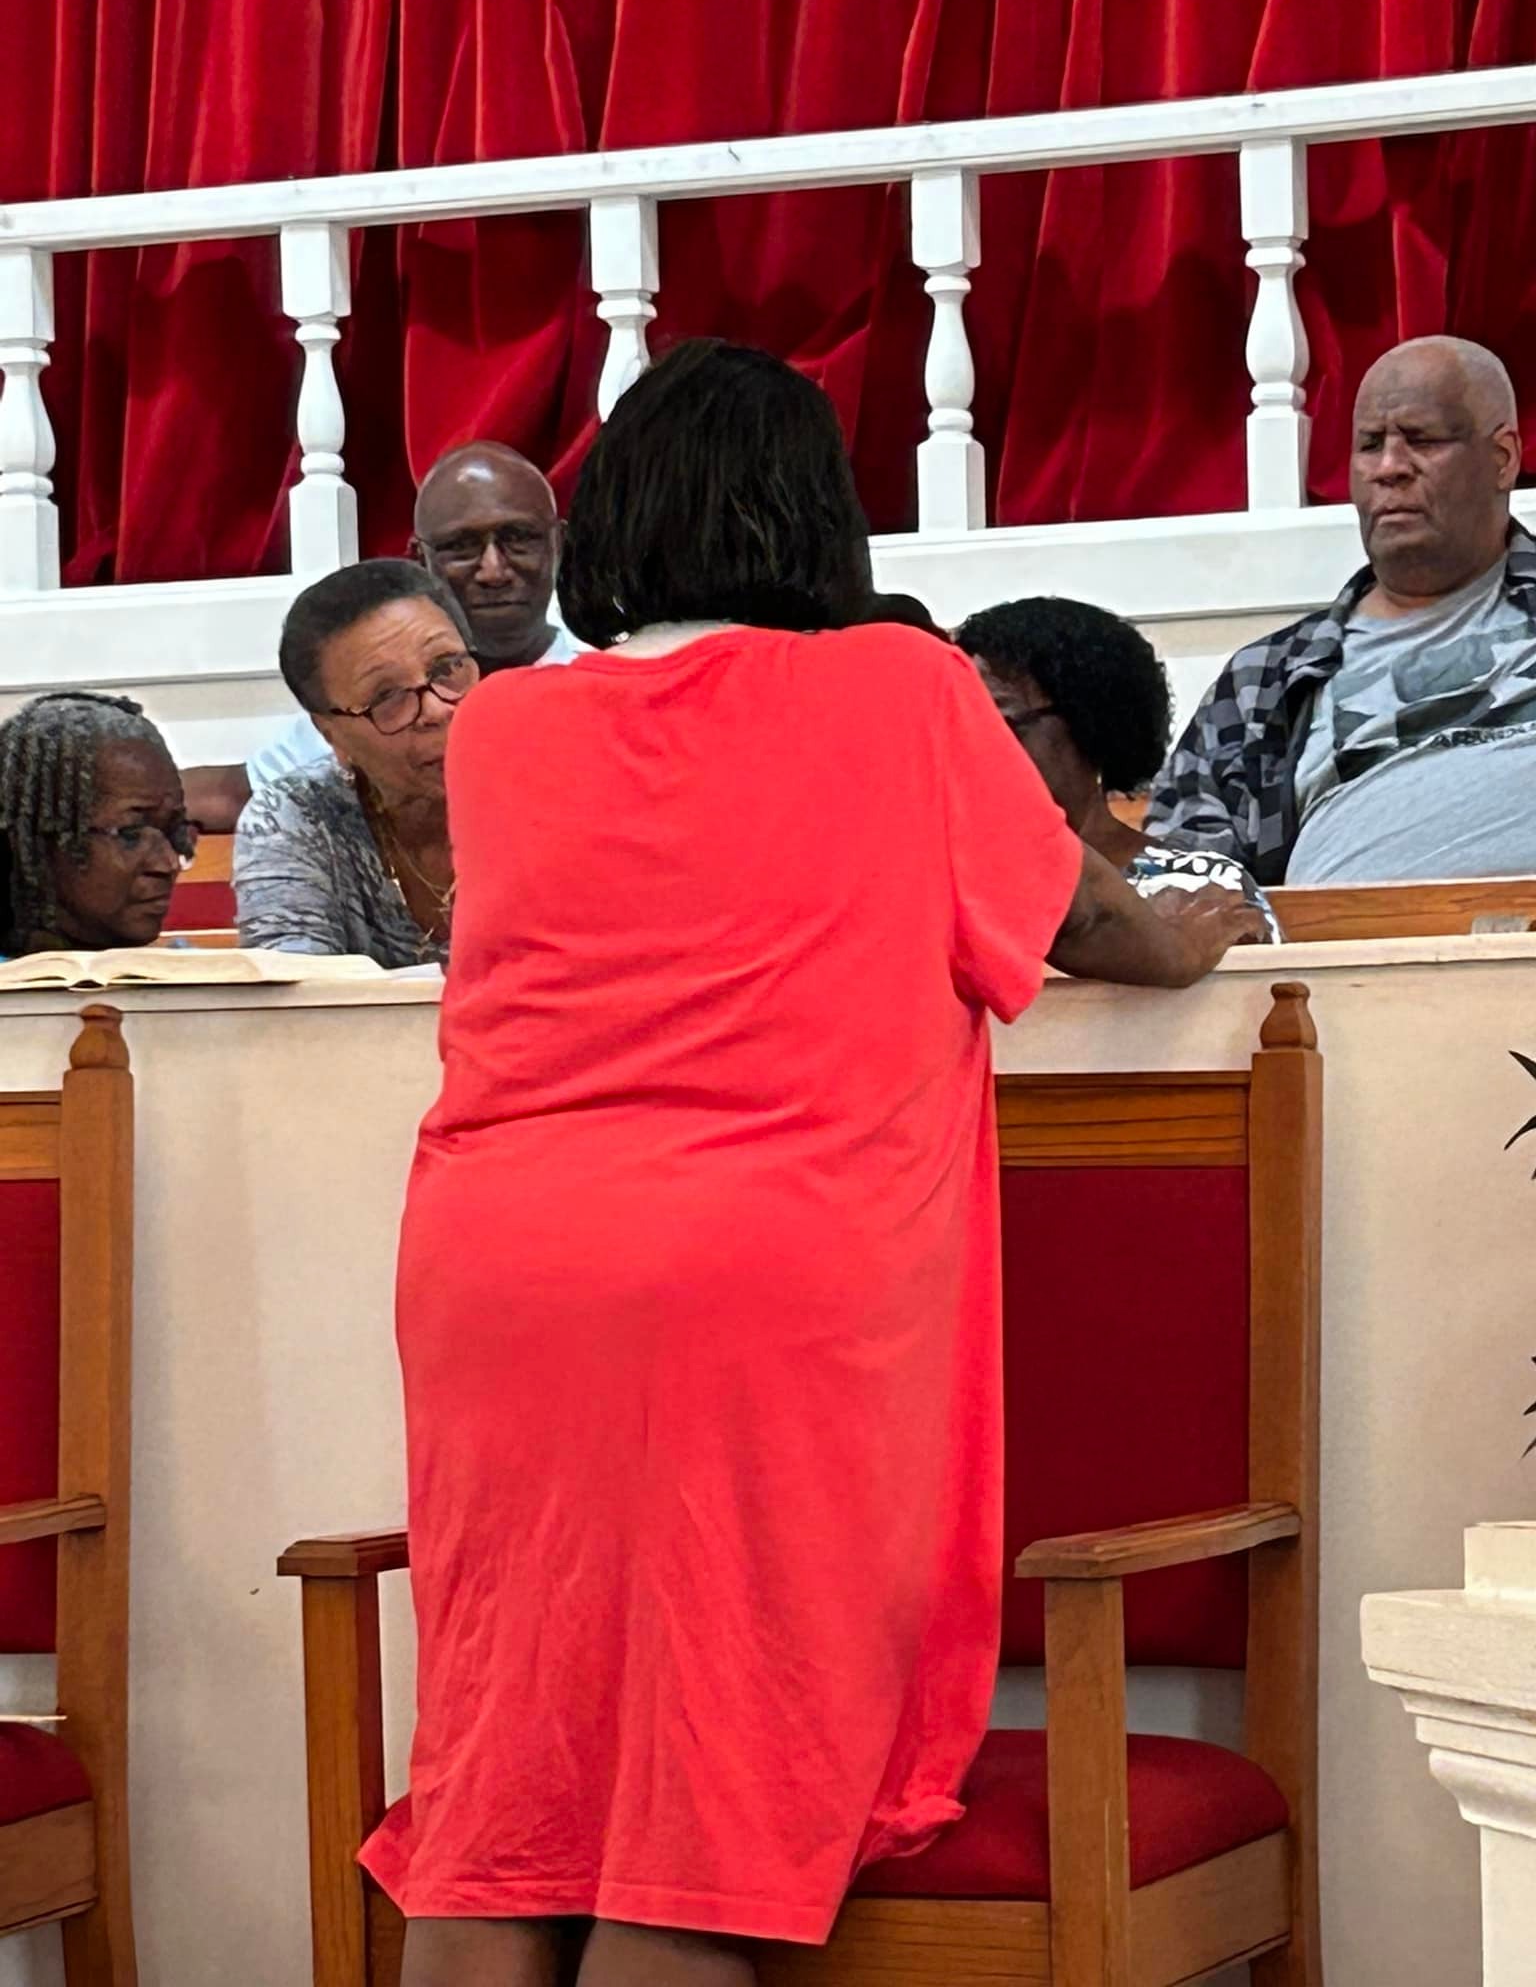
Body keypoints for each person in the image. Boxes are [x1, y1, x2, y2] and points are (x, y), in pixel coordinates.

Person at [368, 337, 1259, 1987]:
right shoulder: (903, 691)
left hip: (501, 1273)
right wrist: (1201, 929)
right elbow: (1094, 923)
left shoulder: (505, 730)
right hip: (763, 1285)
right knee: (706, 1805)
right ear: (816, 516)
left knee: (508, 1781)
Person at [1147, 335, 1535, 885]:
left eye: (1421, 440)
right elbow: (1180, 879)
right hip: (1338, 964)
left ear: (1502, 459)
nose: (1390, 468)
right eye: (1370, 445)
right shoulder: (1264, 680)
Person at [184, 443, 574, 831]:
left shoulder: (605, 690)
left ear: (558, 542)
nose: (493, 570)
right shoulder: (373, 697)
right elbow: (238, 794)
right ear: (421, 558)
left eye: (519, 537)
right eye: (463, 547)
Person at [957, 596, 1279, 936]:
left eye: (997, 723)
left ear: (1089, 726)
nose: (969, 746)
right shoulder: (941, 886)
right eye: (957, 724)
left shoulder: (1203, 892)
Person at [233, 559, 479, 964]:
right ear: (332, 734)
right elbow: (295, 999)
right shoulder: (297, 816)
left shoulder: (551, 786)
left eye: (448, 667)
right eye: (386, 696)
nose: (435, 709)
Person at [0, 691, 195, 956]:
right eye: (130, 834)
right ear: (43, 839)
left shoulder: (191, 980)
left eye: (175, 832)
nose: (168, 864)